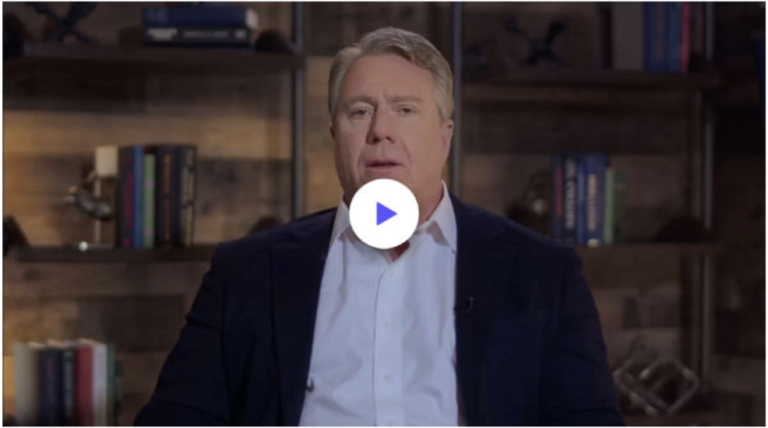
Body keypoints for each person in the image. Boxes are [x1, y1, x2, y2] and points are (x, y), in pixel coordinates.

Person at [135, 27, 623, 426]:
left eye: (405, 110)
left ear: (445, 137)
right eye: (360, 111)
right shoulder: (245, 272)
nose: (380, 131)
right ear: (335, 136)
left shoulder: (543, 273)